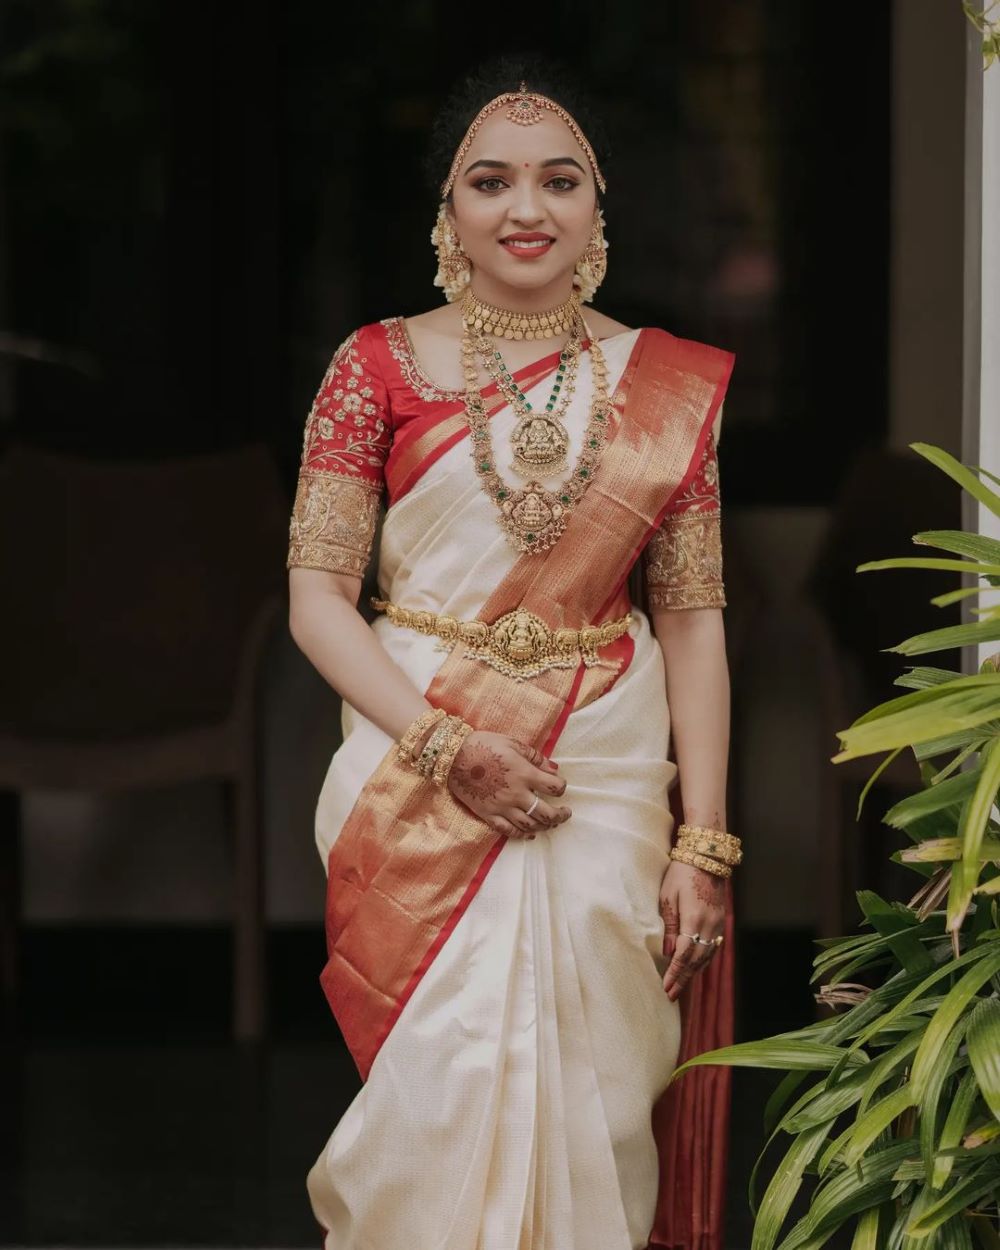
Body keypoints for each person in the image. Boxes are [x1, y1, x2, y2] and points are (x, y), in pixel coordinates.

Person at [286, 53, 739, 1250]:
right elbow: (317, 600)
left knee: (593, 1082)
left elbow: (693, 619)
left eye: (559, 179)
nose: (525, 208)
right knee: (437, 1080)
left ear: (599, 206)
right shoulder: (370, 369)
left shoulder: (665, 386)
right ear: (447, 211)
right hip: (414, 760)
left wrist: (703, 838)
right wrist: (448, 748)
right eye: (489, 181)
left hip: (606, 767)